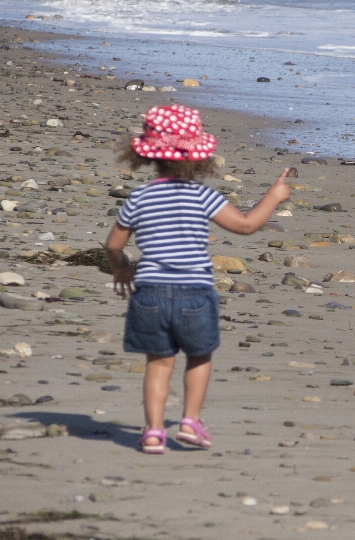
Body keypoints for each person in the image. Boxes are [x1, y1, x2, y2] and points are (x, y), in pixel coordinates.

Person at [105, 104, 290, 454]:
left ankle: (154, 431)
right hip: (194, 293)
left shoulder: (141, 197)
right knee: (199, 356)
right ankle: (190, 421)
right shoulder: (202, 195)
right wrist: (274, 196)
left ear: (145, 155)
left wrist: (120, 267)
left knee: (158, 363)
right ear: (198, 157)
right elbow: (247, 225)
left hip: (150, 293)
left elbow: (114, 244)